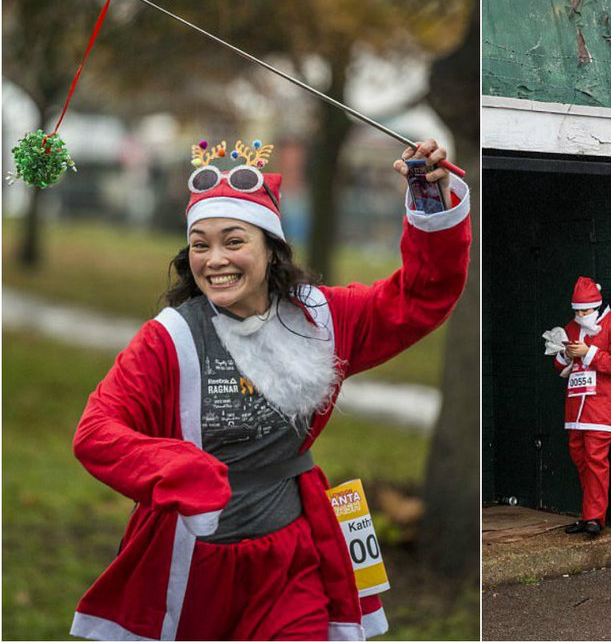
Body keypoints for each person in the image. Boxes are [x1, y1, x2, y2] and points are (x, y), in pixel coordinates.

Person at [69, 138, 471, 641]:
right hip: (192, 566)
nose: (215, 260)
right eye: (200, 244)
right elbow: (96, 432)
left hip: (292, 561)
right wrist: (177, 470)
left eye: (234, 241)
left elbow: (421, 297)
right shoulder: (167, 339)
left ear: (271, 248)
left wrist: (430, 201)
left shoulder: (324, 317)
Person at [553, 277, 611, 536]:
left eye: (584, 311)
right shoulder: (571, 328)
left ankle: (596, 517)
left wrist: (588, 352)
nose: (580, 315)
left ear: (597, 306)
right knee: (580, 458)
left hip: (603, 407)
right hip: (576, 408)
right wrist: (564, 355)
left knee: (596, 459)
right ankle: (589, 515)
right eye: (576, 311)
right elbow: (560, 366)